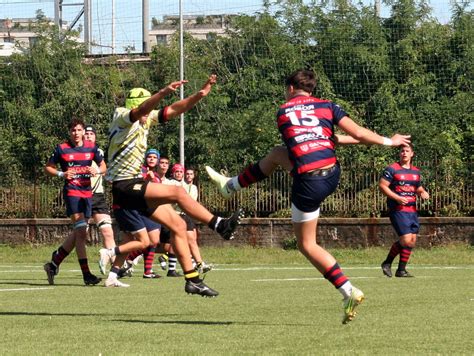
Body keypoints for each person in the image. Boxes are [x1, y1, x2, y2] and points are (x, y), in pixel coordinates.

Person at [205, 69, 411, 323]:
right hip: (332, 174)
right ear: (312, 89)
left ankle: (348, 291)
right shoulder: (327, 106)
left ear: (291, 88)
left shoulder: (283, 112)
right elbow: (351, 134)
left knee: (306, 244)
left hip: (309, 182)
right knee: (278, 154)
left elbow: (302, 143)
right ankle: (230, 186)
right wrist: (389, 141)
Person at [100, 75, 242, 296]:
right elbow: (142, 110)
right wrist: (164, 92)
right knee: (177, 191)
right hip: (124, 185)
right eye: (147, 108)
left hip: (134, 184)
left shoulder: (145, 118)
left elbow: (174, 110)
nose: (149, 115)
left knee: (178, 225)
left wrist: (199, 95)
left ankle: (193, 280)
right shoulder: (122, 116)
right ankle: (219, 225)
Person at [43, 118, 105, 286]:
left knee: (80, 233)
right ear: (69, 132)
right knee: (81, 233)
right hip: (72, 193)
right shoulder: (62, 148)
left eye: (79, 130)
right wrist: (62, 174)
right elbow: (48, 167)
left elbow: (104, 167)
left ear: (84, 131)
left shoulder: (91, 147)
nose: (76, 133)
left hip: (87, 194)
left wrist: (97, 170)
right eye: (73, 130)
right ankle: (86, 275)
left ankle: (54, 262)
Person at [379, 144, 429, 278]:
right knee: (406, 239)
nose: (404, 153)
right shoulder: (392, 169)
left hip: (412, 210)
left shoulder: (416, 172)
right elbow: (383, 186)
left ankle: (401, 270)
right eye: (402, 151)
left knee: (412, 240)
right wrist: (397, 198)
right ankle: (387, 262)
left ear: (412, 154)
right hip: (398, 210)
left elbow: (416, 187)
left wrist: (422, 192)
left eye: (407, 151)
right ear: (399, 153)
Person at [83, 125, 117, 275]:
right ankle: (56, 261)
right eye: (87, 134)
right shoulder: (77, 152)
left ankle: (115, 269)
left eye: (92, 134)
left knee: (107, 231)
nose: (89, 136)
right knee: (79, 233)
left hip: (98, 195)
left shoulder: (98, 152)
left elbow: (105, 169)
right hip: (82, 195)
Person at [169, 164, 213, 274]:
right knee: (180, 241)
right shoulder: (177, 184)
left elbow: (191, 202)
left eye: (190, 174)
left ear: (194, 176)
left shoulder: (193, 187)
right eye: (187, 174)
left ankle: (196, 263)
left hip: (187, 215)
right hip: (178, 214)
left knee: (191, 239)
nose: (188, 176)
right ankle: (195, 264)